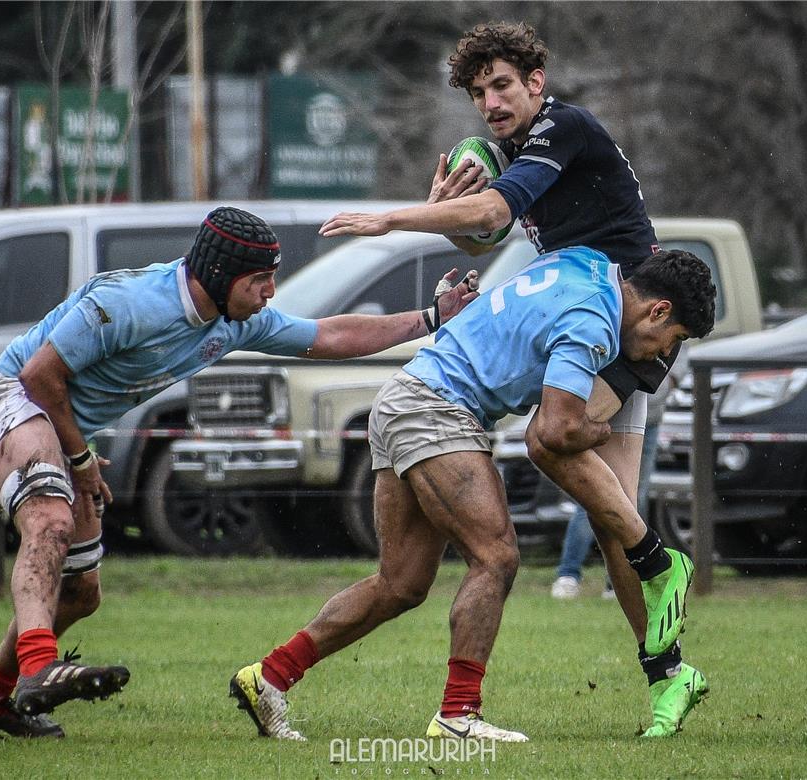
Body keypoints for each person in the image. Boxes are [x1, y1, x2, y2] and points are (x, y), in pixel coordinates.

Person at [0, 206, 480, 738]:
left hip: (61, 424)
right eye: (261, 280)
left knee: (81, 594)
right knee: (51, 523)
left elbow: (330, 335)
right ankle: (39, 668)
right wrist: (82, 459)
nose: (271, 291)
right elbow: (38, 376)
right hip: (11, 400)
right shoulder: (129, 301)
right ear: (222, 276)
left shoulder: (234, 321)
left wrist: (431, 317)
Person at [318, 21, 705, 736]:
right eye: (477, 91)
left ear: (535, 82)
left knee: (565, 454)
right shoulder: (511, 149)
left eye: (501, 84)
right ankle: (670, 668)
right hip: (588, 325)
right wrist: (445, 212)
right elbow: (485, 232)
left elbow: (494, 210)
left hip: (633, 324)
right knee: (610, 507)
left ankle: (662, 602)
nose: (490, 101)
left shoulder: (565, 127)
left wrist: (391, 219)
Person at [231, 248, 714, 743]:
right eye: (670, 340)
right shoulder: (594, 322)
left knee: (400, 584)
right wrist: (600, 430)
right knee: (496, 557)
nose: (659, 355)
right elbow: (557, 431)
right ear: (658, 310)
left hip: (405, 394)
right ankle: (458, 714)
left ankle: (268, 677)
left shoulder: (585, 263)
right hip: (438, 408)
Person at [552, 363, 672, 599]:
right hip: (608, 412)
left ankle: (620, 580)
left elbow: (676, 364)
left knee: (631, 498)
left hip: (648, 415)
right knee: (593, 496)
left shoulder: (673, 337)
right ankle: (569, 572)